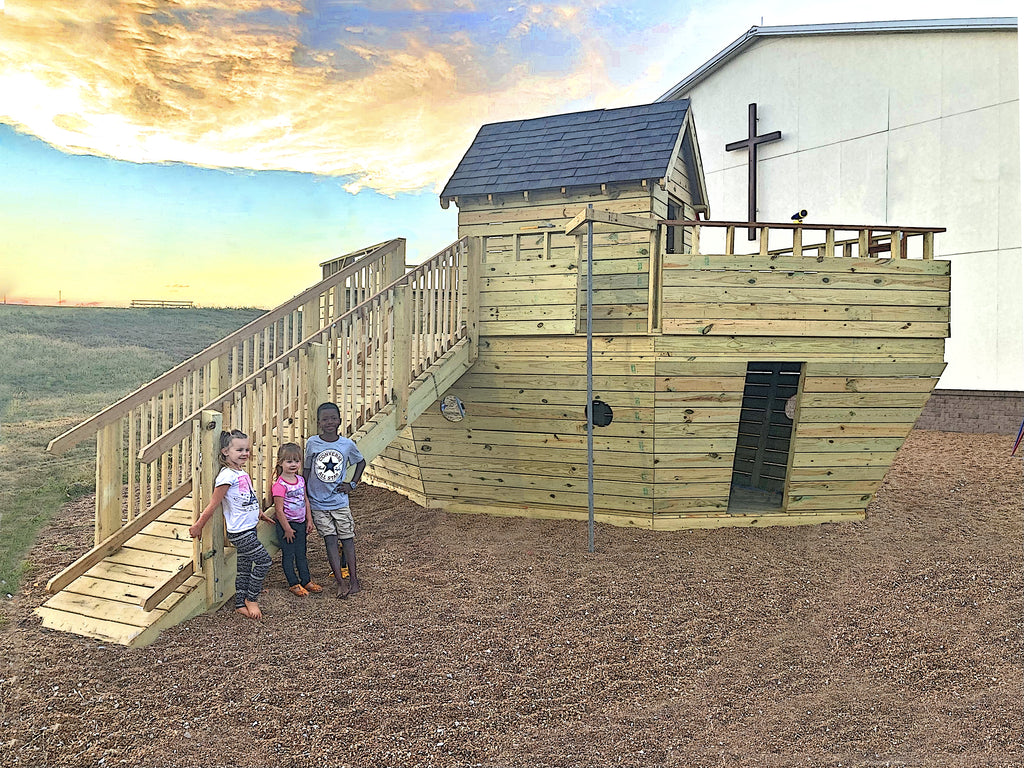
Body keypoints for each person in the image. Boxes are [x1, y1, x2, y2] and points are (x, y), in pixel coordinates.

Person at [189, 429, 272, 620]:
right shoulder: (226, 476)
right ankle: (252, 599)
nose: (245, 453)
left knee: (244, 566)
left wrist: (259, 513)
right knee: (264, 561)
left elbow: (247, 497)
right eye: (239, 450)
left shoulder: (241, 472)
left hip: (250, 527)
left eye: (247, 450)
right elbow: (214, 503)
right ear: (226, 451)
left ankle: (240, 603)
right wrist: (199, 525)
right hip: (240, 531)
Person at [304, 402, 365, 599]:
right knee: (329, 540)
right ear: (319, 422)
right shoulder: (312, 443)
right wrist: (303, 493)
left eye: (333, 418)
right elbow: (307, 469)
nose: (329, 422)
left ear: (339, 421)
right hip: (318, 503)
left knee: (347, 539)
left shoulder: (346, 445)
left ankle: (354, 580)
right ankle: (340, 582)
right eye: (325, 419)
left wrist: (352, 484)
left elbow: (360, 462)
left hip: (340, 502)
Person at [270, 442, 322, 597]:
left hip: (300, 523)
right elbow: (279, 510)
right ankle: (293, 583)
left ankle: (306, 580)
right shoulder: (279, 485)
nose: (293, 464)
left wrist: (309, 520)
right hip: (287, 525)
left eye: (296, 461)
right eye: (289, 461)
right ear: (281, 462)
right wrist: (287, 528)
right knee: (289, 555)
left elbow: (305, 500)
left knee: (301, 553)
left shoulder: (300, 480)